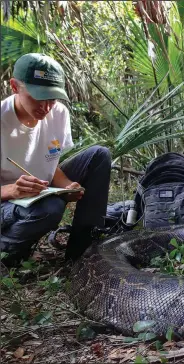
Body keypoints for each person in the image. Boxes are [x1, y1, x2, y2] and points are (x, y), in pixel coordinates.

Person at [1, 53, 112, 265]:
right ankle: (7, 252)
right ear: (15, 87)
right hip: (7, 202)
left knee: (99, 155)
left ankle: (83, 251)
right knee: (50, 207)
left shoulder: (58, 113)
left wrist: (68, 187)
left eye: (51, 98)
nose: (46, 107)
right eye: (37, 97)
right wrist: (11, 190)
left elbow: (51, 166)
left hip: (38, 191)